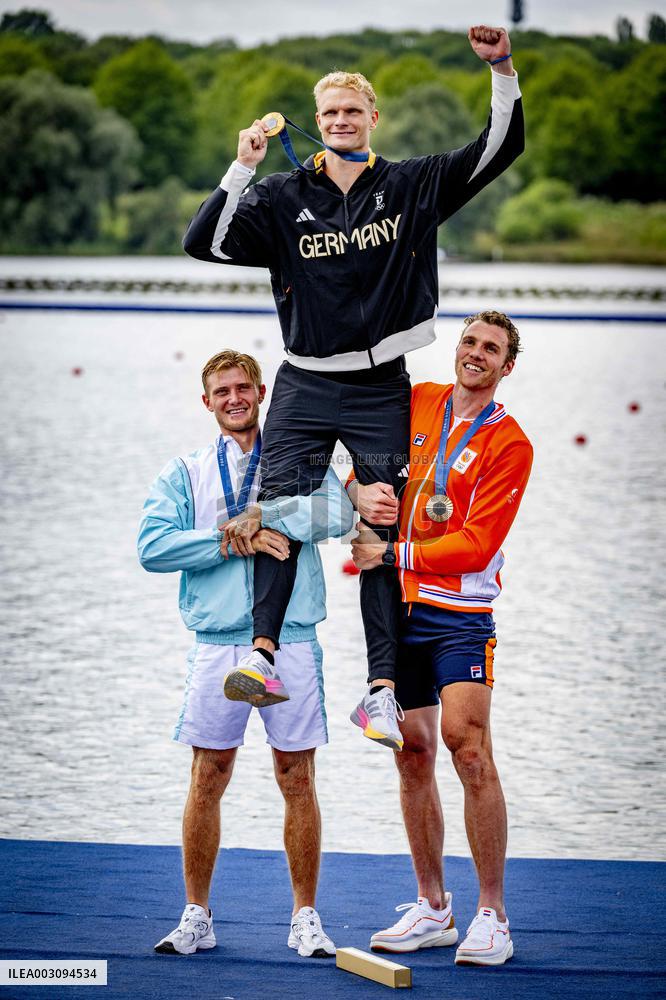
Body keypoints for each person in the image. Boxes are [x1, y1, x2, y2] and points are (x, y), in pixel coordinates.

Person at [183, 26, 524, 753]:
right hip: (304, 383)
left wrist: (501, 67)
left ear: (373, 118)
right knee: (276, 511)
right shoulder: (282, 195)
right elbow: (203, 242)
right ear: (318, 120)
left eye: (352, 111)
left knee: (381, 525)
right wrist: (242, 167)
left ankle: (380, 692)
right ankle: (262, 657)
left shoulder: (411, 185)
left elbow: (498, 149)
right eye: (330, 112)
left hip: (379, 388)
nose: (340, 121)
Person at [138, 349, 353, 958]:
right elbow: (153, 547)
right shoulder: (186, 471)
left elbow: (339, 513)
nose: (233, 399)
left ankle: (305, 917)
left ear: (261, 393)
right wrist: (231, 541)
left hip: (290, 640)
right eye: (221, 391)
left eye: (243, 388)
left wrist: (270, 515)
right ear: (206, 401)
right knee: (209, 774)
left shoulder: (299, 456)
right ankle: (197, 916)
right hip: (217, 643)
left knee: (296, 775)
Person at [350, 311, 533, 966]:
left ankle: (493, 915)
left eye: (491, 348)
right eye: (469, 342)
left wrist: (392, 552)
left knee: (469, 748)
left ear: (507, 366)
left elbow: (477, 543)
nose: (476, 354)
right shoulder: (419, 401)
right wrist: (358, 491)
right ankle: (433, 907)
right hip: (397, 610)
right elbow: (359, 459)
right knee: (411, 752)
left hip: (459, 613)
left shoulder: (511, 443)